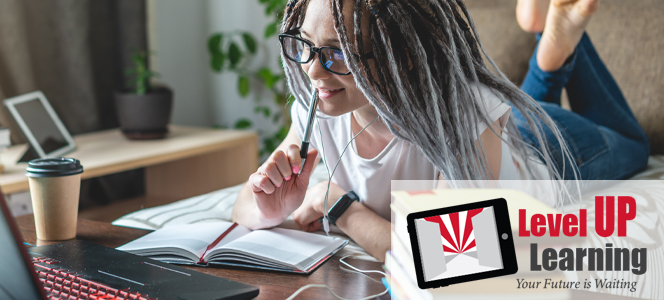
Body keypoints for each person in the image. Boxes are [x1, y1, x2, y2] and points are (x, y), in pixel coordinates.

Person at [232, 0, 649, 261]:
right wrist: (269, 206)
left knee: (634, 144)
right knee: (510, 115)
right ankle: (550, 48)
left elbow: (445, 256)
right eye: (304, 44)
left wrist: (339, 205)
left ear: (403, 55)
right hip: (498, 140)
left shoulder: (463, 114)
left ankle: (559, 41)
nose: (311, 70)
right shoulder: (322, 103)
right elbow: (242, 211)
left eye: (337, 53)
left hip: (544, 156)